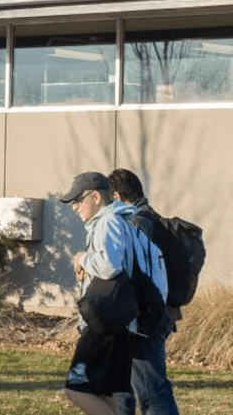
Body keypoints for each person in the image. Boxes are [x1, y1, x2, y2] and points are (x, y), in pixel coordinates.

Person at [59, 171, 143, 415]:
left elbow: (110, 265)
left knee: (76, 389)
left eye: (78, 200)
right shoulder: (123, 221)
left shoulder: (108, 222)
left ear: (95, 197)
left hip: (104, 326)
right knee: (107, 395)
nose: (75, 207)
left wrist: (82, 258)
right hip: (121, 324)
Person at [109, 168, 180, 415]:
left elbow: (130, 272)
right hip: (153, 314)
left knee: (152, 391)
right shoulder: (151, 219)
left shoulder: (137, 224)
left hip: (144, 319)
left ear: (116, 196)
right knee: (121, 387)